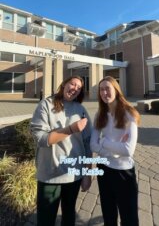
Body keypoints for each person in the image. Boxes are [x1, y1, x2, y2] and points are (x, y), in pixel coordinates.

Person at [30, 75, 92, 226]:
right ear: (64, 84)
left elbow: (87, 144)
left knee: (69, 214)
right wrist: (71, 129)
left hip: (73, 175)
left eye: (79, 88)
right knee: (46, 218)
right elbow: (41, 139)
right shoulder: (46, 105)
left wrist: (87, 174)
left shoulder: (81, 110)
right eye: (72, 84)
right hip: (50, 174)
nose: (75, 89)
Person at [90, 76, 140, 226]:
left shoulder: (129, 113)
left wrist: (104, 142)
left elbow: (128, 150)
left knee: (129, 217)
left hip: (123, 172)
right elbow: (93, 145)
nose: (104, 92)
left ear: (116, 91)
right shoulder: (100, 115)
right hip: (104, 169)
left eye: (107, 88)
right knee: (108, 214)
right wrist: (114, 150)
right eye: (101, 90)